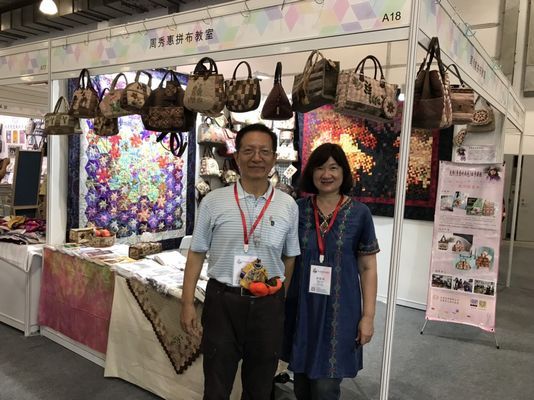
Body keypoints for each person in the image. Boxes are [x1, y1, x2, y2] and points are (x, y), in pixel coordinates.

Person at [180, 123, 300, 400]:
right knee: (216, 385)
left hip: (267, 304)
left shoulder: (288, 205)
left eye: (264, 151)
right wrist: (187, 303)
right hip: (222, 302)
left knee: (260, 387)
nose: (256, 158)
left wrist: (278, 297)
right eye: (248, 151)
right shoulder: (213, 201)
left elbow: (290, 256)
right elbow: (196, 253)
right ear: (236, 156)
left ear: (274, 157)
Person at [283, 143, 379, 400]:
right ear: (311, 173)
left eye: (333, 168)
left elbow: (368, 267)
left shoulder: (360, 214)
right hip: (302, 307)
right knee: (301, 382)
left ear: (343, 172)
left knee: (325, 387)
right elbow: (285, 257)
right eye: (320, 167)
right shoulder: (297, 209)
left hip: (341, 309)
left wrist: (368, 317)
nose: (326, 174)